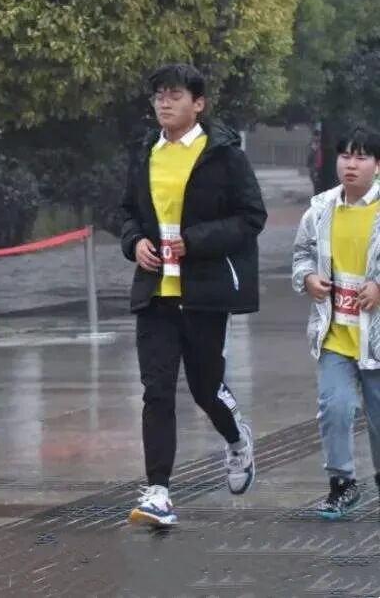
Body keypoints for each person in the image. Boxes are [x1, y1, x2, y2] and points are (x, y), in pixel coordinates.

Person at [120, 63, 265, 527]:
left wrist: (195, 241)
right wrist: (134, 243)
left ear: (198, 104)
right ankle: (158, 492)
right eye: (159, 95)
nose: (164, 103)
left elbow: (251, 217)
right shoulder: (146, 151)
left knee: (205, 387)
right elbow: (126, 212)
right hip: (155, 293)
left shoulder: (223, 155)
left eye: (175, 95)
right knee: (156, 390)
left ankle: (237, 441)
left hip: (203, 292)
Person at [292, 127, 380, 519]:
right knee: (335, 408)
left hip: (375, 338)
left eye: (361, 157)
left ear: (377, 165)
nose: (351, 165)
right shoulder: (321, 209)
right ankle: (342, 484)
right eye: (345, 156)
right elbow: (302, 254)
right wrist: (309, 278)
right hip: (335, 334)